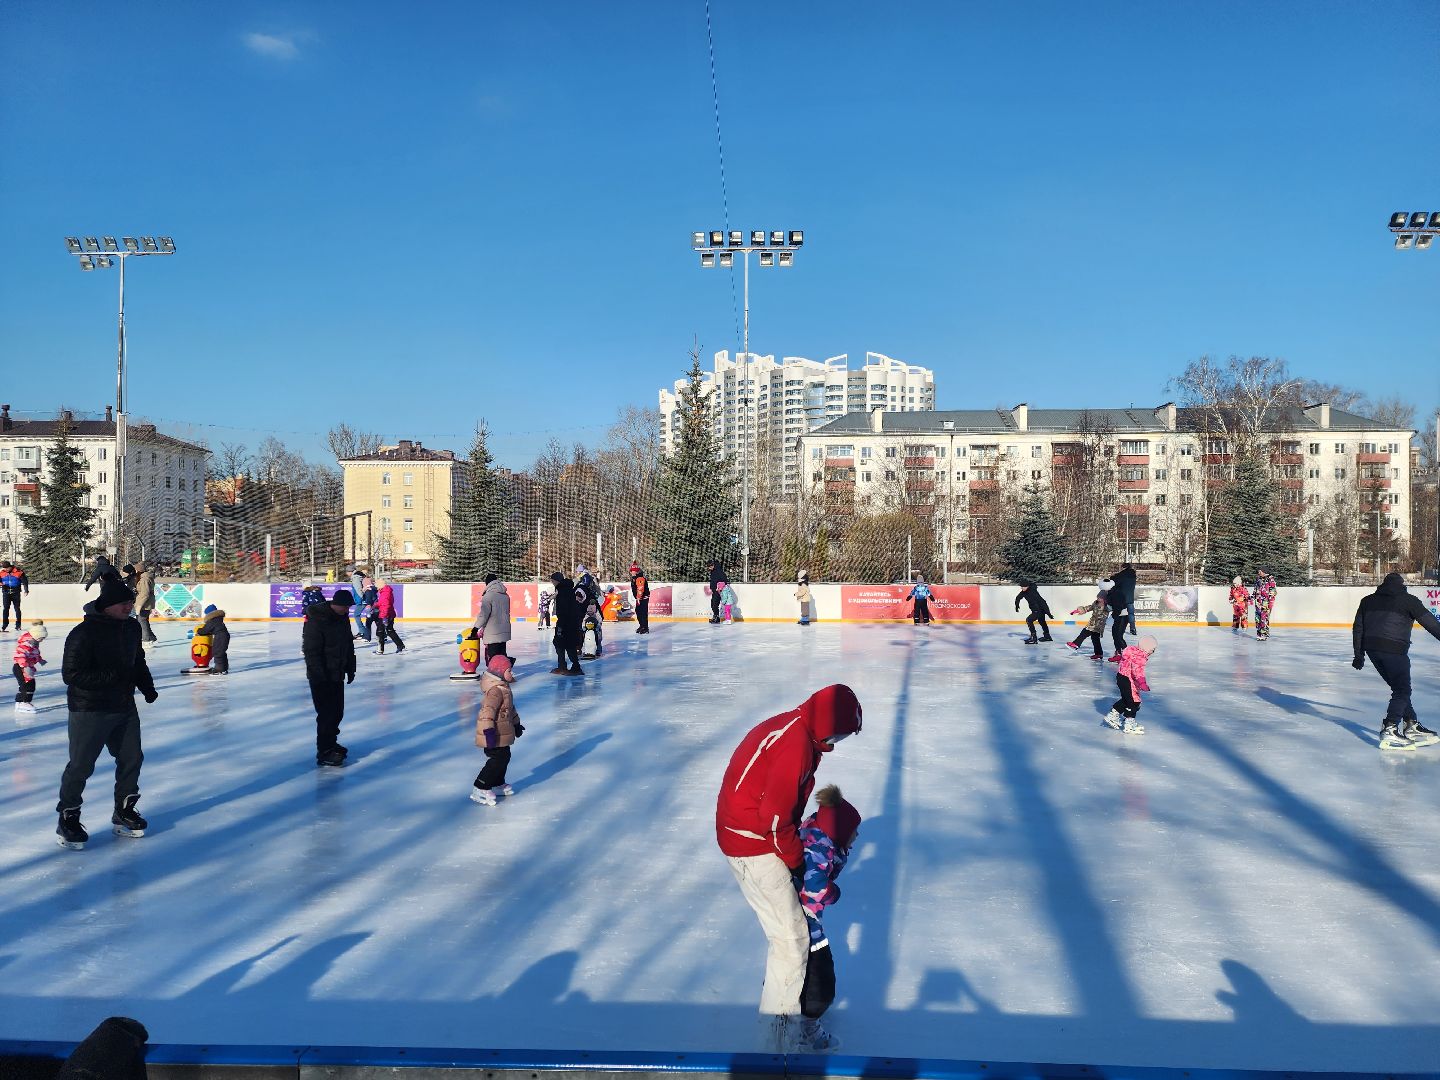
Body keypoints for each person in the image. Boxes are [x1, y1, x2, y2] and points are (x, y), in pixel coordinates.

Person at [716, 683, 863, 1050]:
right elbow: (776, 817)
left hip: (752, 835)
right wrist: (796, 862)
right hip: (750, 843)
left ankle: (786, 1013)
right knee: (792, 939)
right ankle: (775, 1045)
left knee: (789, 936)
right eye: (840, 732)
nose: (838, 740)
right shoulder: (795, 743)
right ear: (828, 722)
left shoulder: (798, 729)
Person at [55, 577, 159, 849]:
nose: (129, 607)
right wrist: (112, 676)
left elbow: (137, 661)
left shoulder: (131, 629)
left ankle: (124, 810)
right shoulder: (83, 633)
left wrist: (147, 686)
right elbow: (72, 674)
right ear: (108, 605)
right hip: (89, 709)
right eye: (124, 603)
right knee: (81, 766)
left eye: (130, 602)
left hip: (124, 706)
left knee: (132, 758)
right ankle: (68, 817)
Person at [794, 784, 863, 1052]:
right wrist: (833, 892)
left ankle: (798, 1013)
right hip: (804, 922)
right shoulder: (819, 848)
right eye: (854, 834)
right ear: (840, 830)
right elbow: (816, 887)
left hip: (802, 918)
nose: (856, 839)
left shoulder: (818, 836)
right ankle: (808, 1030)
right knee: (819, 975)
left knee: (796, 967)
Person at [1352, 572, 1440, 751]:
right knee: (1402, 689)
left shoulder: (1367, 600)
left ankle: (1411, 724)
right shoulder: (1408, 600)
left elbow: (1358, 629)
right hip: (1394, 650)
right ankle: (1390, 727)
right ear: (1402, 585)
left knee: (1399, 689)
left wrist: (1359, 655)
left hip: (1372, 651)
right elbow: (1431, 623)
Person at [303, 587, 357, 767]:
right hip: (321, 676)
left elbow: (348, 645)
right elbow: (311, 650)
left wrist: (351, 668)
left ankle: (331, 743)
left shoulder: (342, 619)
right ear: (337, 604)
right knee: (326, 714)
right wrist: (318, 675)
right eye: (345, 607)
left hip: (337, 673)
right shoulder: (317, 620)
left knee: (337, 712)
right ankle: (324, 751)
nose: (347, 610)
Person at [470, 654, 523, 805]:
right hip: (492, 734)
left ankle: (498, 782)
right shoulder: (495, 691)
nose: (511, 673)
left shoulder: (504, 688)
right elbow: (487, 712)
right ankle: (480, 786)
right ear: (500, 672)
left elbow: (510, 710)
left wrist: (517, 724)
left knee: (505, 756)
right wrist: (488, 732)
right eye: (509, 670)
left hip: (502, 732)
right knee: (497, 759)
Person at [1104, 635, 1157, 735]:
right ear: (1146, 647)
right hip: (1128, 680)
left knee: (1127, 699)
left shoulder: (1131, 651)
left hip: (1121, 677)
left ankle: (1113, 715)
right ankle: (1129, 724)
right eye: (1152, 649)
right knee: (1134, 701)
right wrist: (1142, 683)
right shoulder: (1140, 657)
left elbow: (1124, 660)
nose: (1152, 652)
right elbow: (1137, 671)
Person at [549, 571, 583, 675]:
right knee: (560, 644)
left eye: (553, 581)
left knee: (568, 645)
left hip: (567, 623)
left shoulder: (563, 592)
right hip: (570, 622)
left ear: (557, 581)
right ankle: (562, 666)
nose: (552, 583)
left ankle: (576, 667)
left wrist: (561, 627)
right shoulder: (566, 590)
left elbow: (564, 611)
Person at [12, 620, 47, 716]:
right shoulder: (26, 644)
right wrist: (25, 667)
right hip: (21, 667)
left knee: (29, 684)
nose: (42, 640)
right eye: (41, 638)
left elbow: (35, 653)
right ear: (36, 636)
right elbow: (19, 655)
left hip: (26, 667)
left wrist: (40, 660)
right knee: (27, 685)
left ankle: (20, 702)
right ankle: (24, 702)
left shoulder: (34, 643)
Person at [475, 573, 513, 662]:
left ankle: (494, 674)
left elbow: (484, 615)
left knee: (493, 658)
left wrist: (475, 628)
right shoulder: (505, 595)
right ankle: (504, 673)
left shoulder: (488, 596)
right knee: (502, 656)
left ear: (487, 583)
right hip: (504, 631)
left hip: (493, 632)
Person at [1068, 583, 1111, 659]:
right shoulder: (1095, 603)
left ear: (1104, 599)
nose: (1098, 599)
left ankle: (1076, 644)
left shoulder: (1106, 607)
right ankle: (1099, 654)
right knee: (1095, 639)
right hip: (1093, 623)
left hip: (1098, 625)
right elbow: (1089, 608)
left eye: (1100, 598)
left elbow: (1108, 612)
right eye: (1098, 597)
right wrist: (1080, 610)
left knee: (1084, 633)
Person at [1107, 562, 1138, 660]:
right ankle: (1132, 628)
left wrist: (1113, 578)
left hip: (1121, 606)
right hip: (1128, 600)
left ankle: (1127, 654)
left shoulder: (1120, 580)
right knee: (1116, 633)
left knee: (1118, 635)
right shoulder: (1132, 576)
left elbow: (1116, 579)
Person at [375, 579, 406, 654]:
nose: (376, 587)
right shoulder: (385, 591)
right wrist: (374, 606)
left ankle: (380, 650)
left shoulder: (385, 593)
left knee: (380, 632)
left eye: (377, 585)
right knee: (389, 630)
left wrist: (384, 617)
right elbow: (381, 603)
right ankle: (400, 645)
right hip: (389, 614)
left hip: (385, 614)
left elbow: (386, 605)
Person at [198, 604, 230, 674]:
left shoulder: (213, 620)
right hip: (223, 636)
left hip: (220, 636)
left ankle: (219, 669)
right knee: (221, 652)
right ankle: (224, 668)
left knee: (217, 652)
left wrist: (198, 631)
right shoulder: (218, 619)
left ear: (209, 614)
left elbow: (205, 630)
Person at [133, 563, 158, 644]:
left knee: (141, 621)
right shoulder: (145, 577)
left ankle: (146, 639)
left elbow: (145, 594)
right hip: (146, 603)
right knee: (144, 620)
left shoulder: (144, 579)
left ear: (139, 570)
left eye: (136, 570)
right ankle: (151, 637)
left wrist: (139, 606)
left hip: (144, 604)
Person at [0, 560, 28, 632]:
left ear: (10, 567)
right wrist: (2, 584)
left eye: (7, 568)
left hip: (16, 593)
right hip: (6, 593)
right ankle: (4, 626)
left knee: (17, 608)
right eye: (4, 568)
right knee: (5, 609)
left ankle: (18, 625)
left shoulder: (18, 572)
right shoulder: (2, 573)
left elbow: (25, 581)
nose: (5, 569)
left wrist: (26, 590)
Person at [1254, 569, 1277, 641]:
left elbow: (1273, 591)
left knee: (1264, 618)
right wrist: (1252, 598)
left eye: (1260, 571)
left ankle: (1264, 634)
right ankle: (1259, 634)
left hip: (1266, 602)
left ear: (1264, 571)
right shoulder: (1258, 579)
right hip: (1258, 601)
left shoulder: (1270, 579)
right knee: (1258, 618)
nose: (1258, 572)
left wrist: (1270, 601)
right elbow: (1255, 589)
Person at [630, 562, 650, 634]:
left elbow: (640, 589)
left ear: (636, 571)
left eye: (633, 571)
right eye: (631, 571)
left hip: (643, 598)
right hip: (639, 598)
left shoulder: (640, 578)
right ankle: (642, 626)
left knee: (643, 612)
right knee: (638, 612)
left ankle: (645, 627)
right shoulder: (635, 578)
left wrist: (638, 598)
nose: (631, 572)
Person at [350, 565, 367, 639]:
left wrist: (361, 598)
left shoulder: (355, 578)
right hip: (363, 599)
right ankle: (383, 634)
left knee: (356, 615)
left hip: (361, 600)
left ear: (350, 571)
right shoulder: (358, 576)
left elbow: (358, 589)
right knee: (374, 617)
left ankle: (362, 632)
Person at [707, 559, 726, 624]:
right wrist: (712, 588)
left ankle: (716, 618)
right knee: (713, 604)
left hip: (718, 591)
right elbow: (713, 581)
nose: (709, 568)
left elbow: (724, 580)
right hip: (714, 590)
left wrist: (719, 588)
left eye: (709, 566)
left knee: (715, 604)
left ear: (712, 565)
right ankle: (716, 617)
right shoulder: (713, 571)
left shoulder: (719, 571)